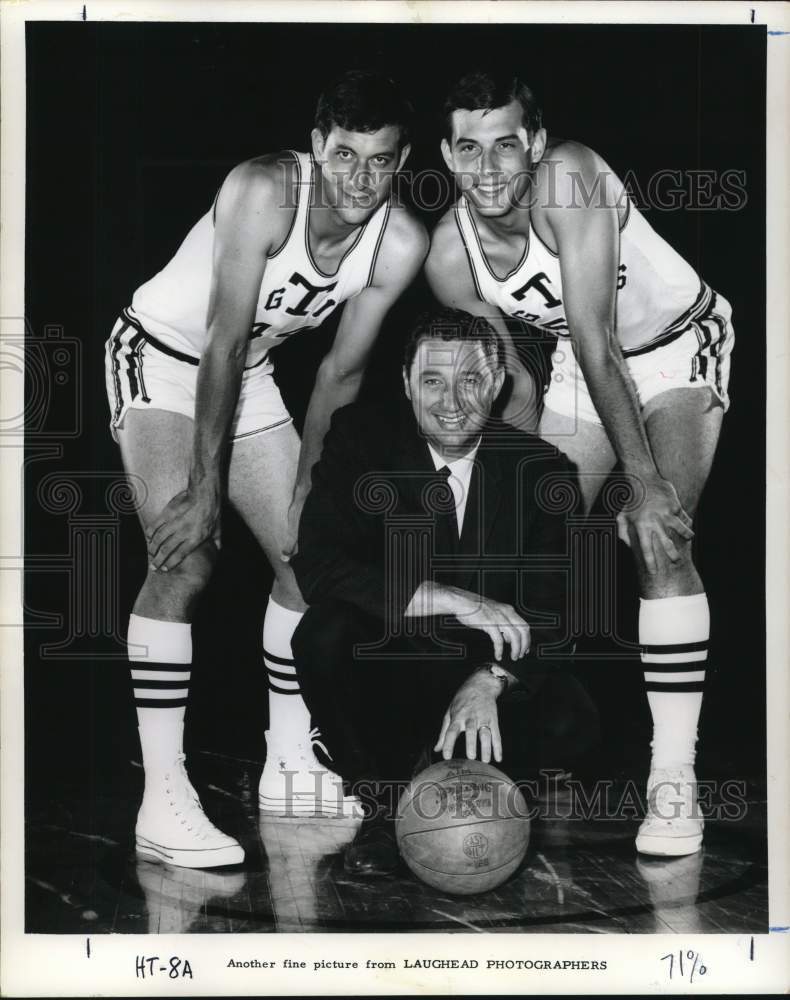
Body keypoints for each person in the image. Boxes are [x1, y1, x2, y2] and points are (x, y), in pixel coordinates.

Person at [104, 70, 428, 868]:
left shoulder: (401, 242)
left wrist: (310, 496)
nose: (359, 179)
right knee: (187, 554)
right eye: (344, 155)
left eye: (379, 162)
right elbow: (219, 337)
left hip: (247, 379)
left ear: (402, 160)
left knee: (303, 557)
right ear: (317, 145)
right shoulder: (262, 190)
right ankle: (163, 795)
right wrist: (207, 489)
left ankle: (288, 760)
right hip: (162, 357)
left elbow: (339, 376)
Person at [425, 70, 735, 856]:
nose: (489, 169)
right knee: (524, 541)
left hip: (673, 351)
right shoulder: (448, 261)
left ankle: (674, 780)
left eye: (505, 145)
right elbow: (520, 377)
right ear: (446, 156)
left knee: (656, 534)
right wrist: (522, 489)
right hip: (578, 366)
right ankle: (504, 719)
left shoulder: (573, 179)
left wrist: (644, 482)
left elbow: (601, 339)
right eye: (469, 149)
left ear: (534, 142)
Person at [291, 308, 598, 875]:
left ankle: (489, 792)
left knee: (570, 715)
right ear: (407, 382)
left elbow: (560, 610)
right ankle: (383, 811)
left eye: (471, 380)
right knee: (324, 634)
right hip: (397, 666)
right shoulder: (361, 440)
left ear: (499, 383)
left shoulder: (543, 471)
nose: (452, 401)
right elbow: (321, 566)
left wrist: (491, 681)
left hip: (487, 673)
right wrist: (454, 597)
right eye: (433, 380)